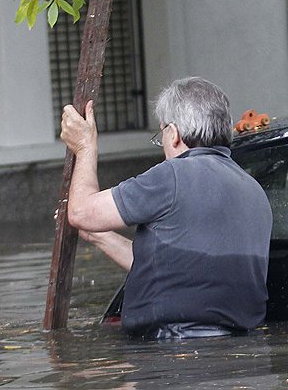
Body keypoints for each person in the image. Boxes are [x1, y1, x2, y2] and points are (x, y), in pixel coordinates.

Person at [59, 76, 272, 339]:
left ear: (173, 134)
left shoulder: (172, 176)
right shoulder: (253, 190)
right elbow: (172, 269)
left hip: (171, 349)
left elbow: (81, 212)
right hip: (239, 348)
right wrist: (98, 236)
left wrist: (85, 147)